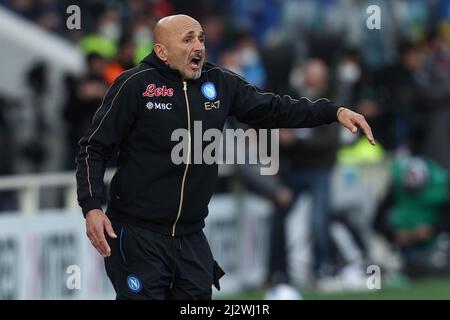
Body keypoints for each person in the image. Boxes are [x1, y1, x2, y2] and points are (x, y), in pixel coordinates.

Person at [75, 14, 375, 300]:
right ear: (162, 51)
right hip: (138, 234)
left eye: (202, 39)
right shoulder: (135, 86)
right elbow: (93, 148)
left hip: (191, 236)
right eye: (188, 39)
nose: (199, 47)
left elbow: (274, 108)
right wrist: (92, 206)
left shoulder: (220, 83)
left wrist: (333, 111)